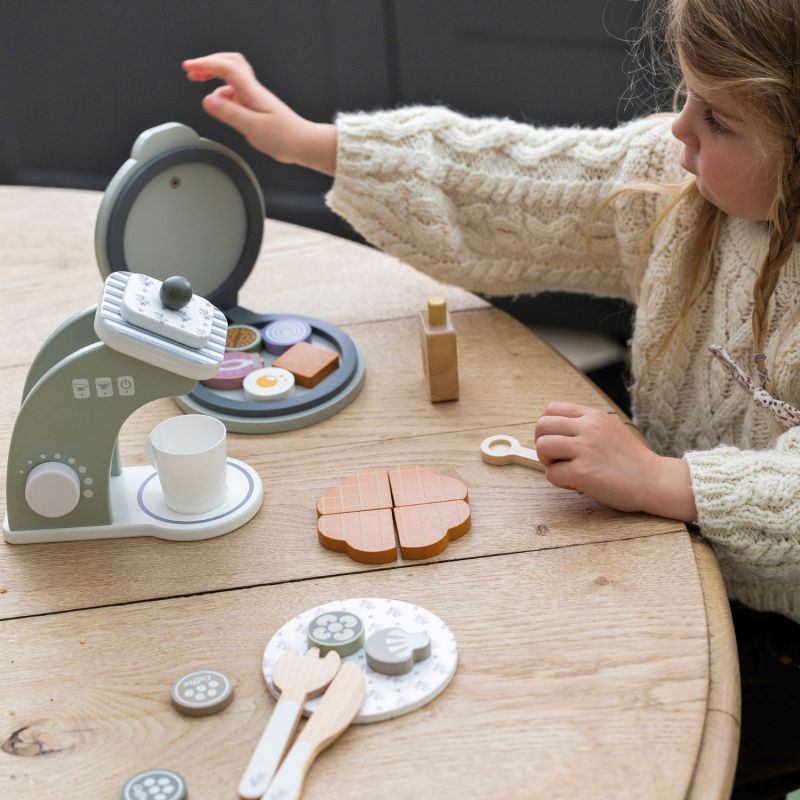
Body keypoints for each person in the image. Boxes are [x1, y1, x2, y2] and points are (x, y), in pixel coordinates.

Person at [183, 1, 800, 795]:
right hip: (661, 551)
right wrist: (310, 143)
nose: (678, 128)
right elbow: (522, 186)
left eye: (715, 117)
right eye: (686, 96)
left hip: (776, 645)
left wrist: (666, 481)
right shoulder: (681, 179)